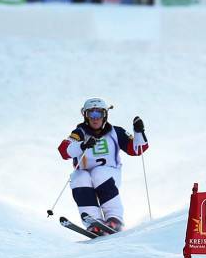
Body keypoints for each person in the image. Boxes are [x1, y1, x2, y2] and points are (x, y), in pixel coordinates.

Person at [58, 98, 148, 235]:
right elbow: (64, 151)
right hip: (86, 176)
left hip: (109, 175)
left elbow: (137, 150)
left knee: (98, 173)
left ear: (105, 115)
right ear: (85, 116)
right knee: (78, 177)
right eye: (91, 115)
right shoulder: (79, 133)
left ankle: (114, 219)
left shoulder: (115, 132)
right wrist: (81, 145)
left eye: (99, 114)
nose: (95, 119)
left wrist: (139, 132)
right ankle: (93, 221)